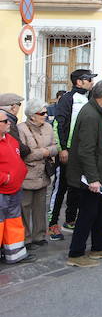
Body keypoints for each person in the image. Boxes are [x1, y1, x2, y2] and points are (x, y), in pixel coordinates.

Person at [66, 81, 102, 266]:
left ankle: (99, 248)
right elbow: (86, 150)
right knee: (87, 214)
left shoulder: (100, 112)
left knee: (101, 212)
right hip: (91, 178)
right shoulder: (91, 115)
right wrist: (93, 179)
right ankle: (76, 254)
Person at [49, 69, 96, 239]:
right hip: (67, 152)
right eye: (89, 79)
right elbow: (58, 125)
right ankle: (52, 223)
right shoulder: (68, 98)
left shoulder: (91, 98)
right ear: (79, 82)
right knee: (60, 188)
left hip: (83, 153)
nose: (91, 82)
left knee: (77, 187)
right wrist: (62, 149)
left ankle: (70, 220)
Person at [17, 100, 57, 249]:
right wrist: (44, 152)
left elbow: (54, 147)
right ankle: (25, 239)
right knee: (25, 207)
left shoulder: (48, 127)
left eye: (46, 112)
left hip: (43, 174)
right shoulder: (21, 129)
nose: (46, 116)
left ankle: (39, 236)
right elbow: (24, 154)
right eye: (42, 113)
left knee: (40, 207)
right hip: (28, 175)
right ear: (32, 115)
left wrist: (47, 151)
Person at [0, 109, 35, 265]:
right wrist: (5, 178)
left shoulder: (10, 139)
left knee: (13, 222)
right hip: (2, 191)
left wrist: (20, 172)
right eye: (5, 121)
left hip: (14, 190)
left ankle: (15, 255)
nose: (9, 123)